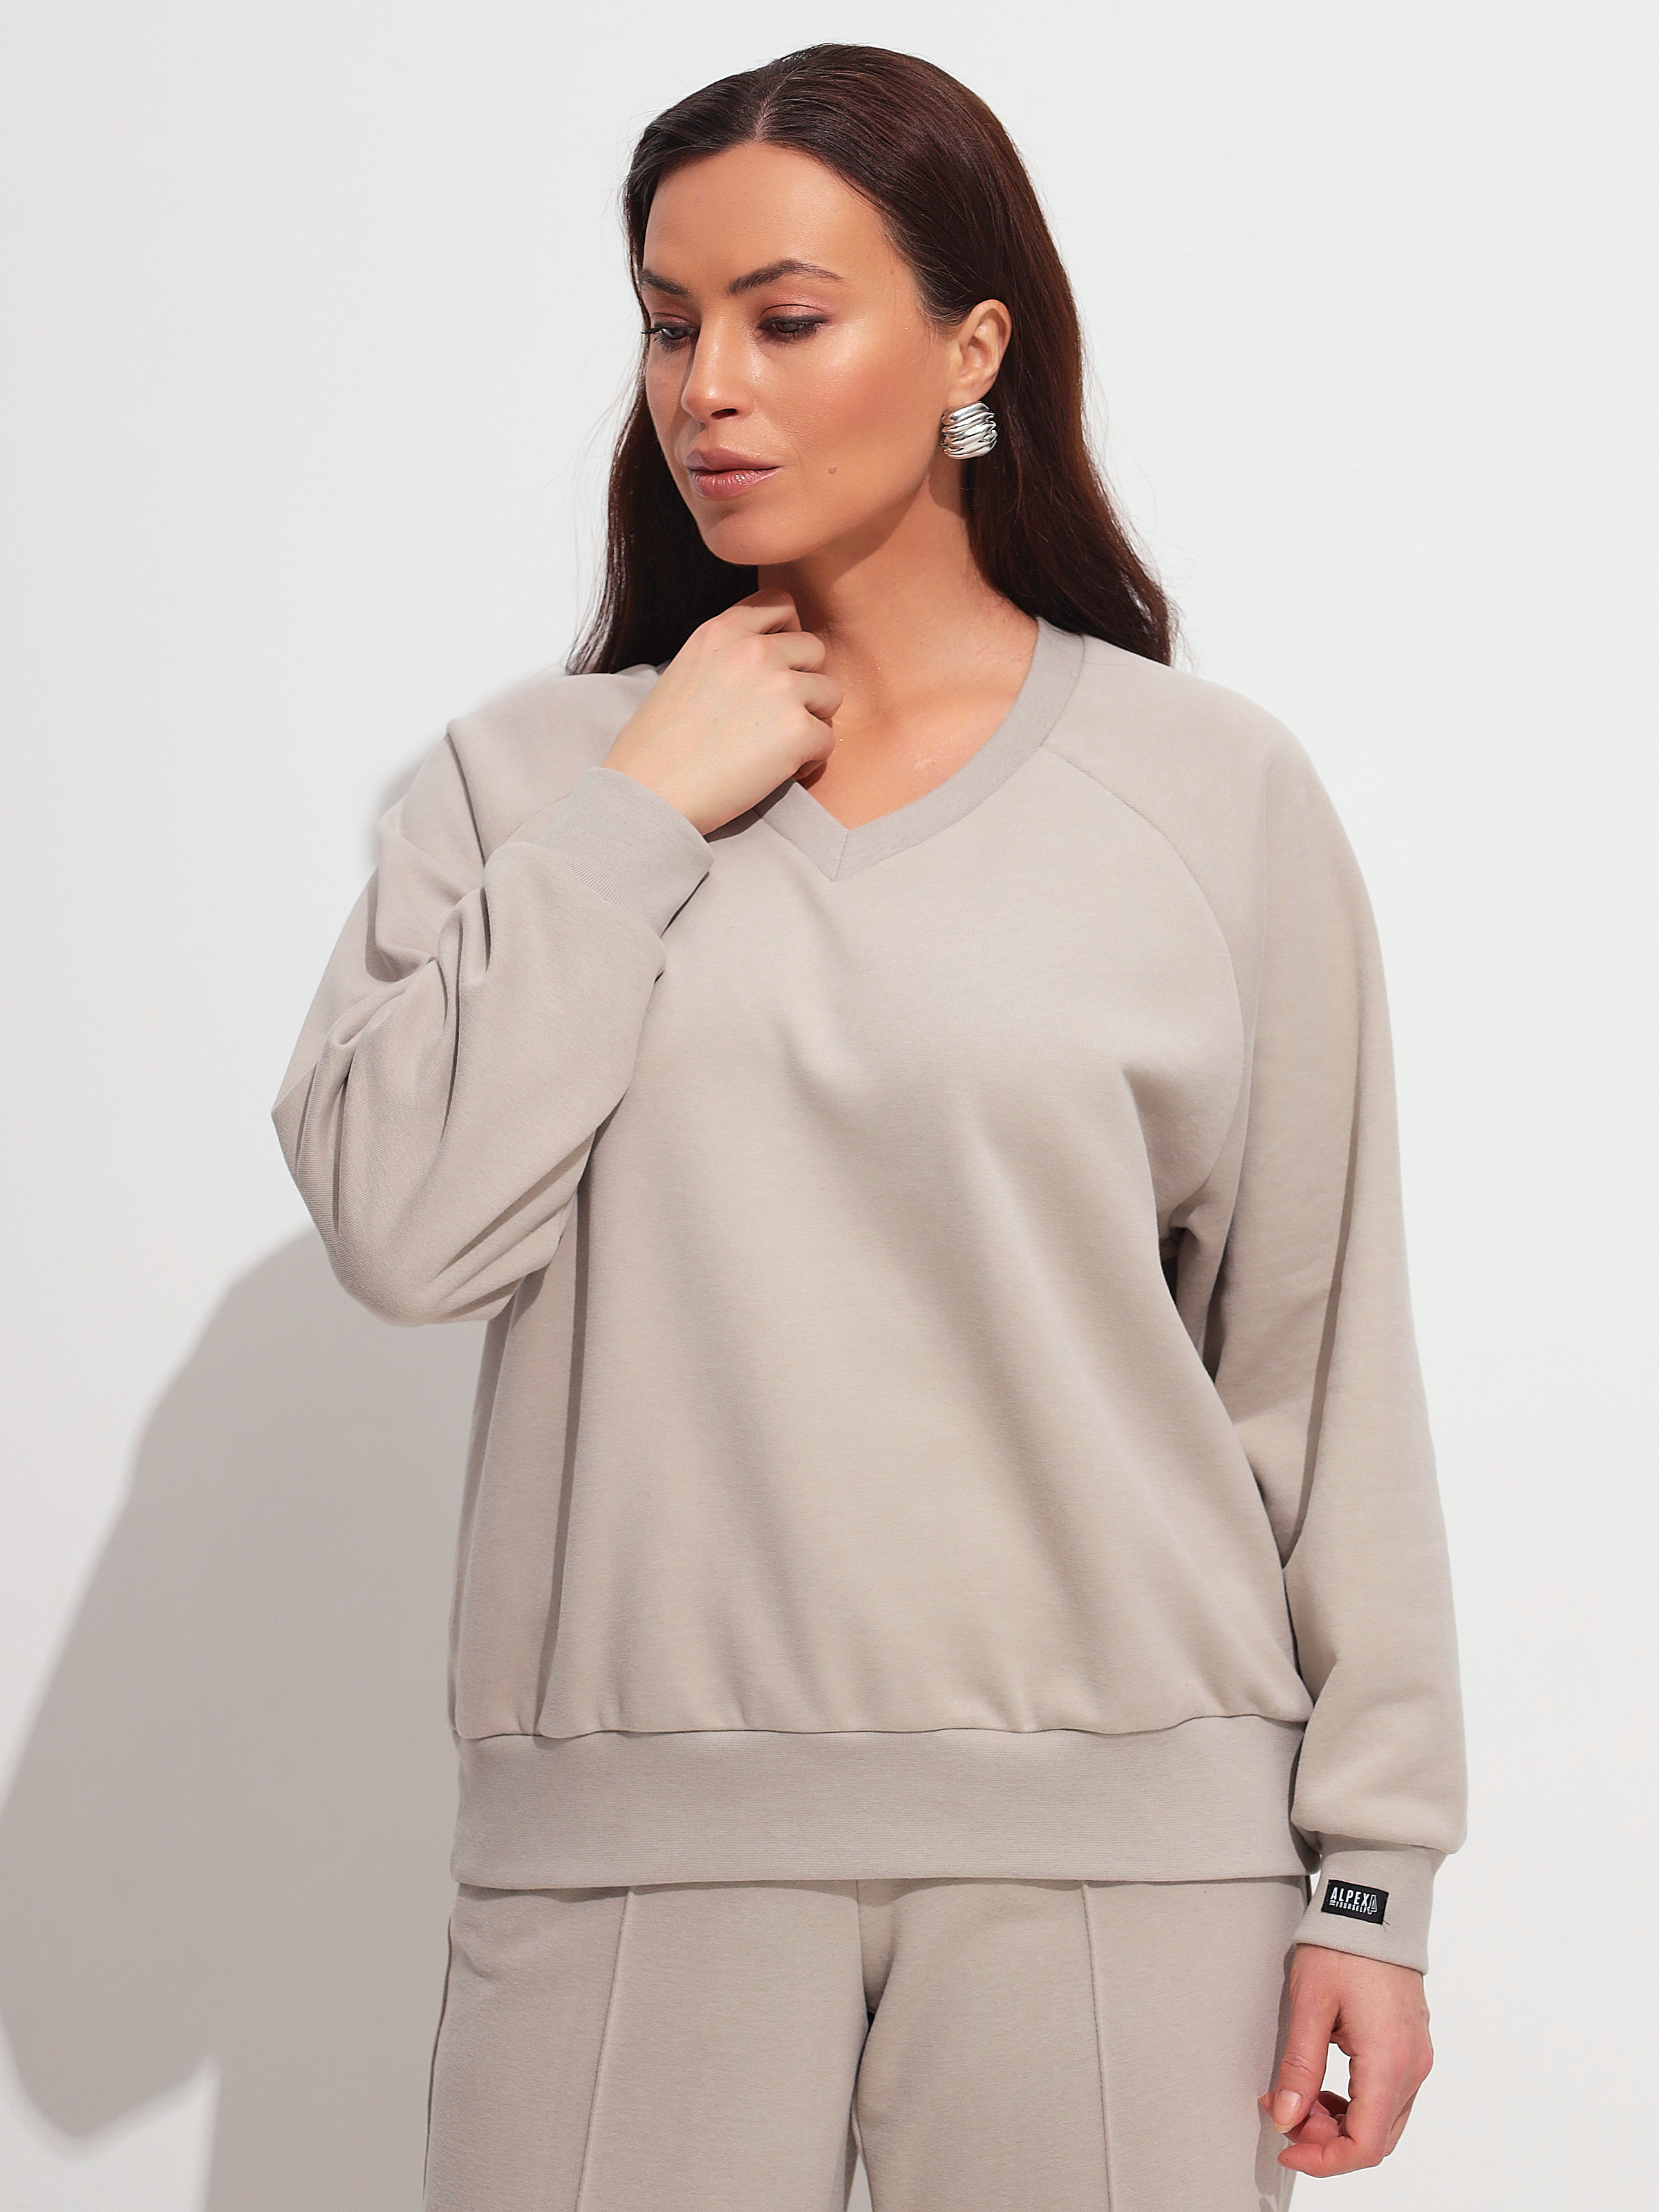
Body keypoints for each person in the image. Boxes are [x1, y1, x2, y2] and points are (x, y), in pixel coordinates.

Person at [272, 41, 1467, 2212]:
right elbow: (402, 1228)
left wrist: (1372, 1880)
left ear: (971, 350)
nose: (706, 388)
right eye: (669, 325)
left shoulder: (1212, 799)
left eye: (786, 318)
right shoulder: (522, 791)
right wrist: (641, 809)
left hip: (1129, 1880)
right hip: (622, 1869)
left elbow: (1318, 1368)